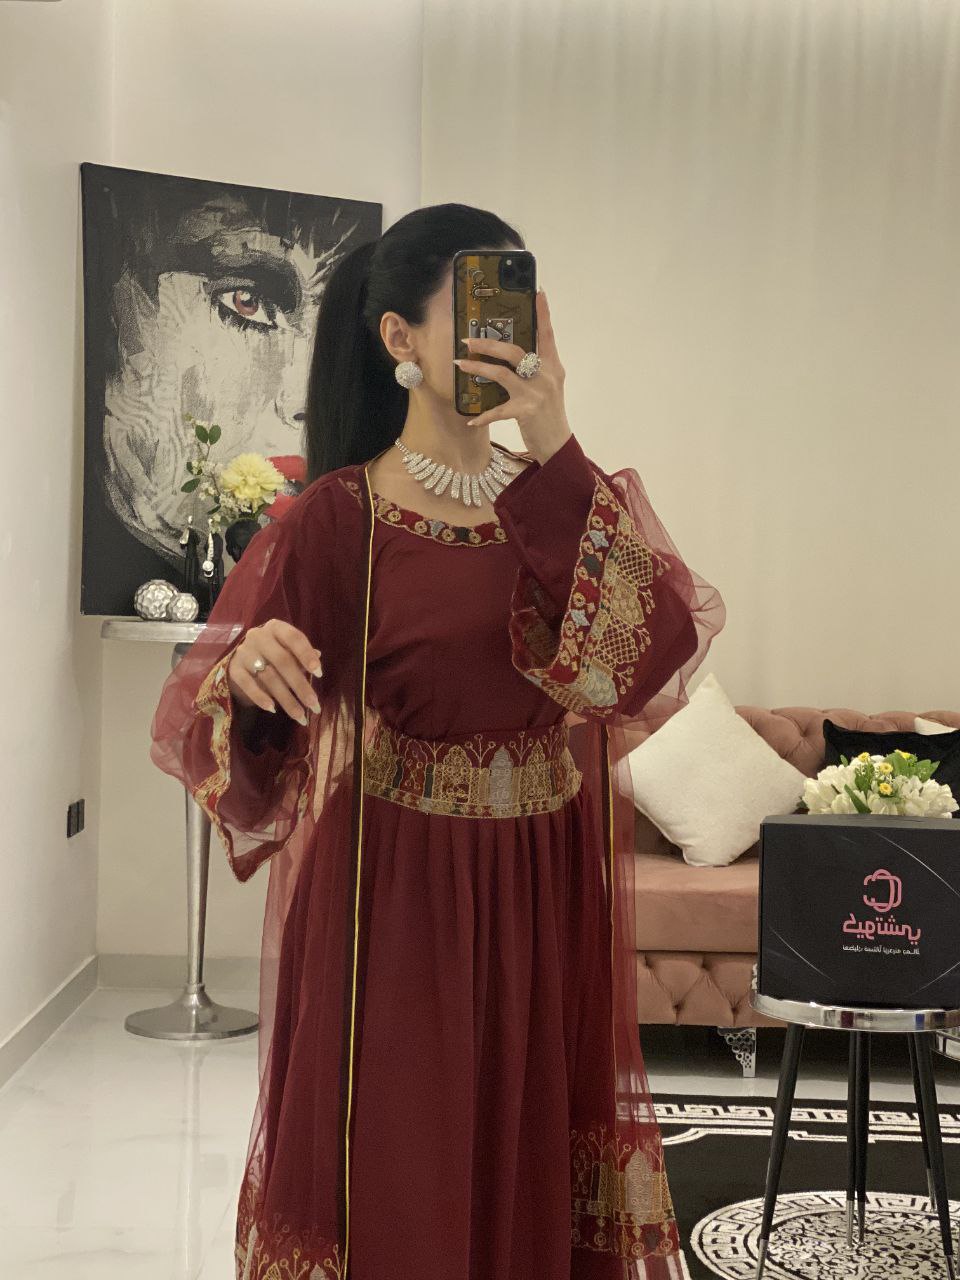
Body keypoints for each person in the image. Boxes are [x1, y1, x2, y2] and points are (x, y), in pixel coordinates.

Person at [149, 202, 726, 1280]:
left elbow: (648, 658)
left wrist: (555, 445)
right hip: (396, 897)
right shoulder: (339, 518)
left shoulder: (561, 503)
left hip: (545, 887)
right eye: (476, 314)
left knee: (530, 1158)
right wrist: (249, 668)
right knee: (404, 1169)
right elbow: (227, 744)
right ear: (399, 338)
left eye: (519, 314)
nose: (505, 341)